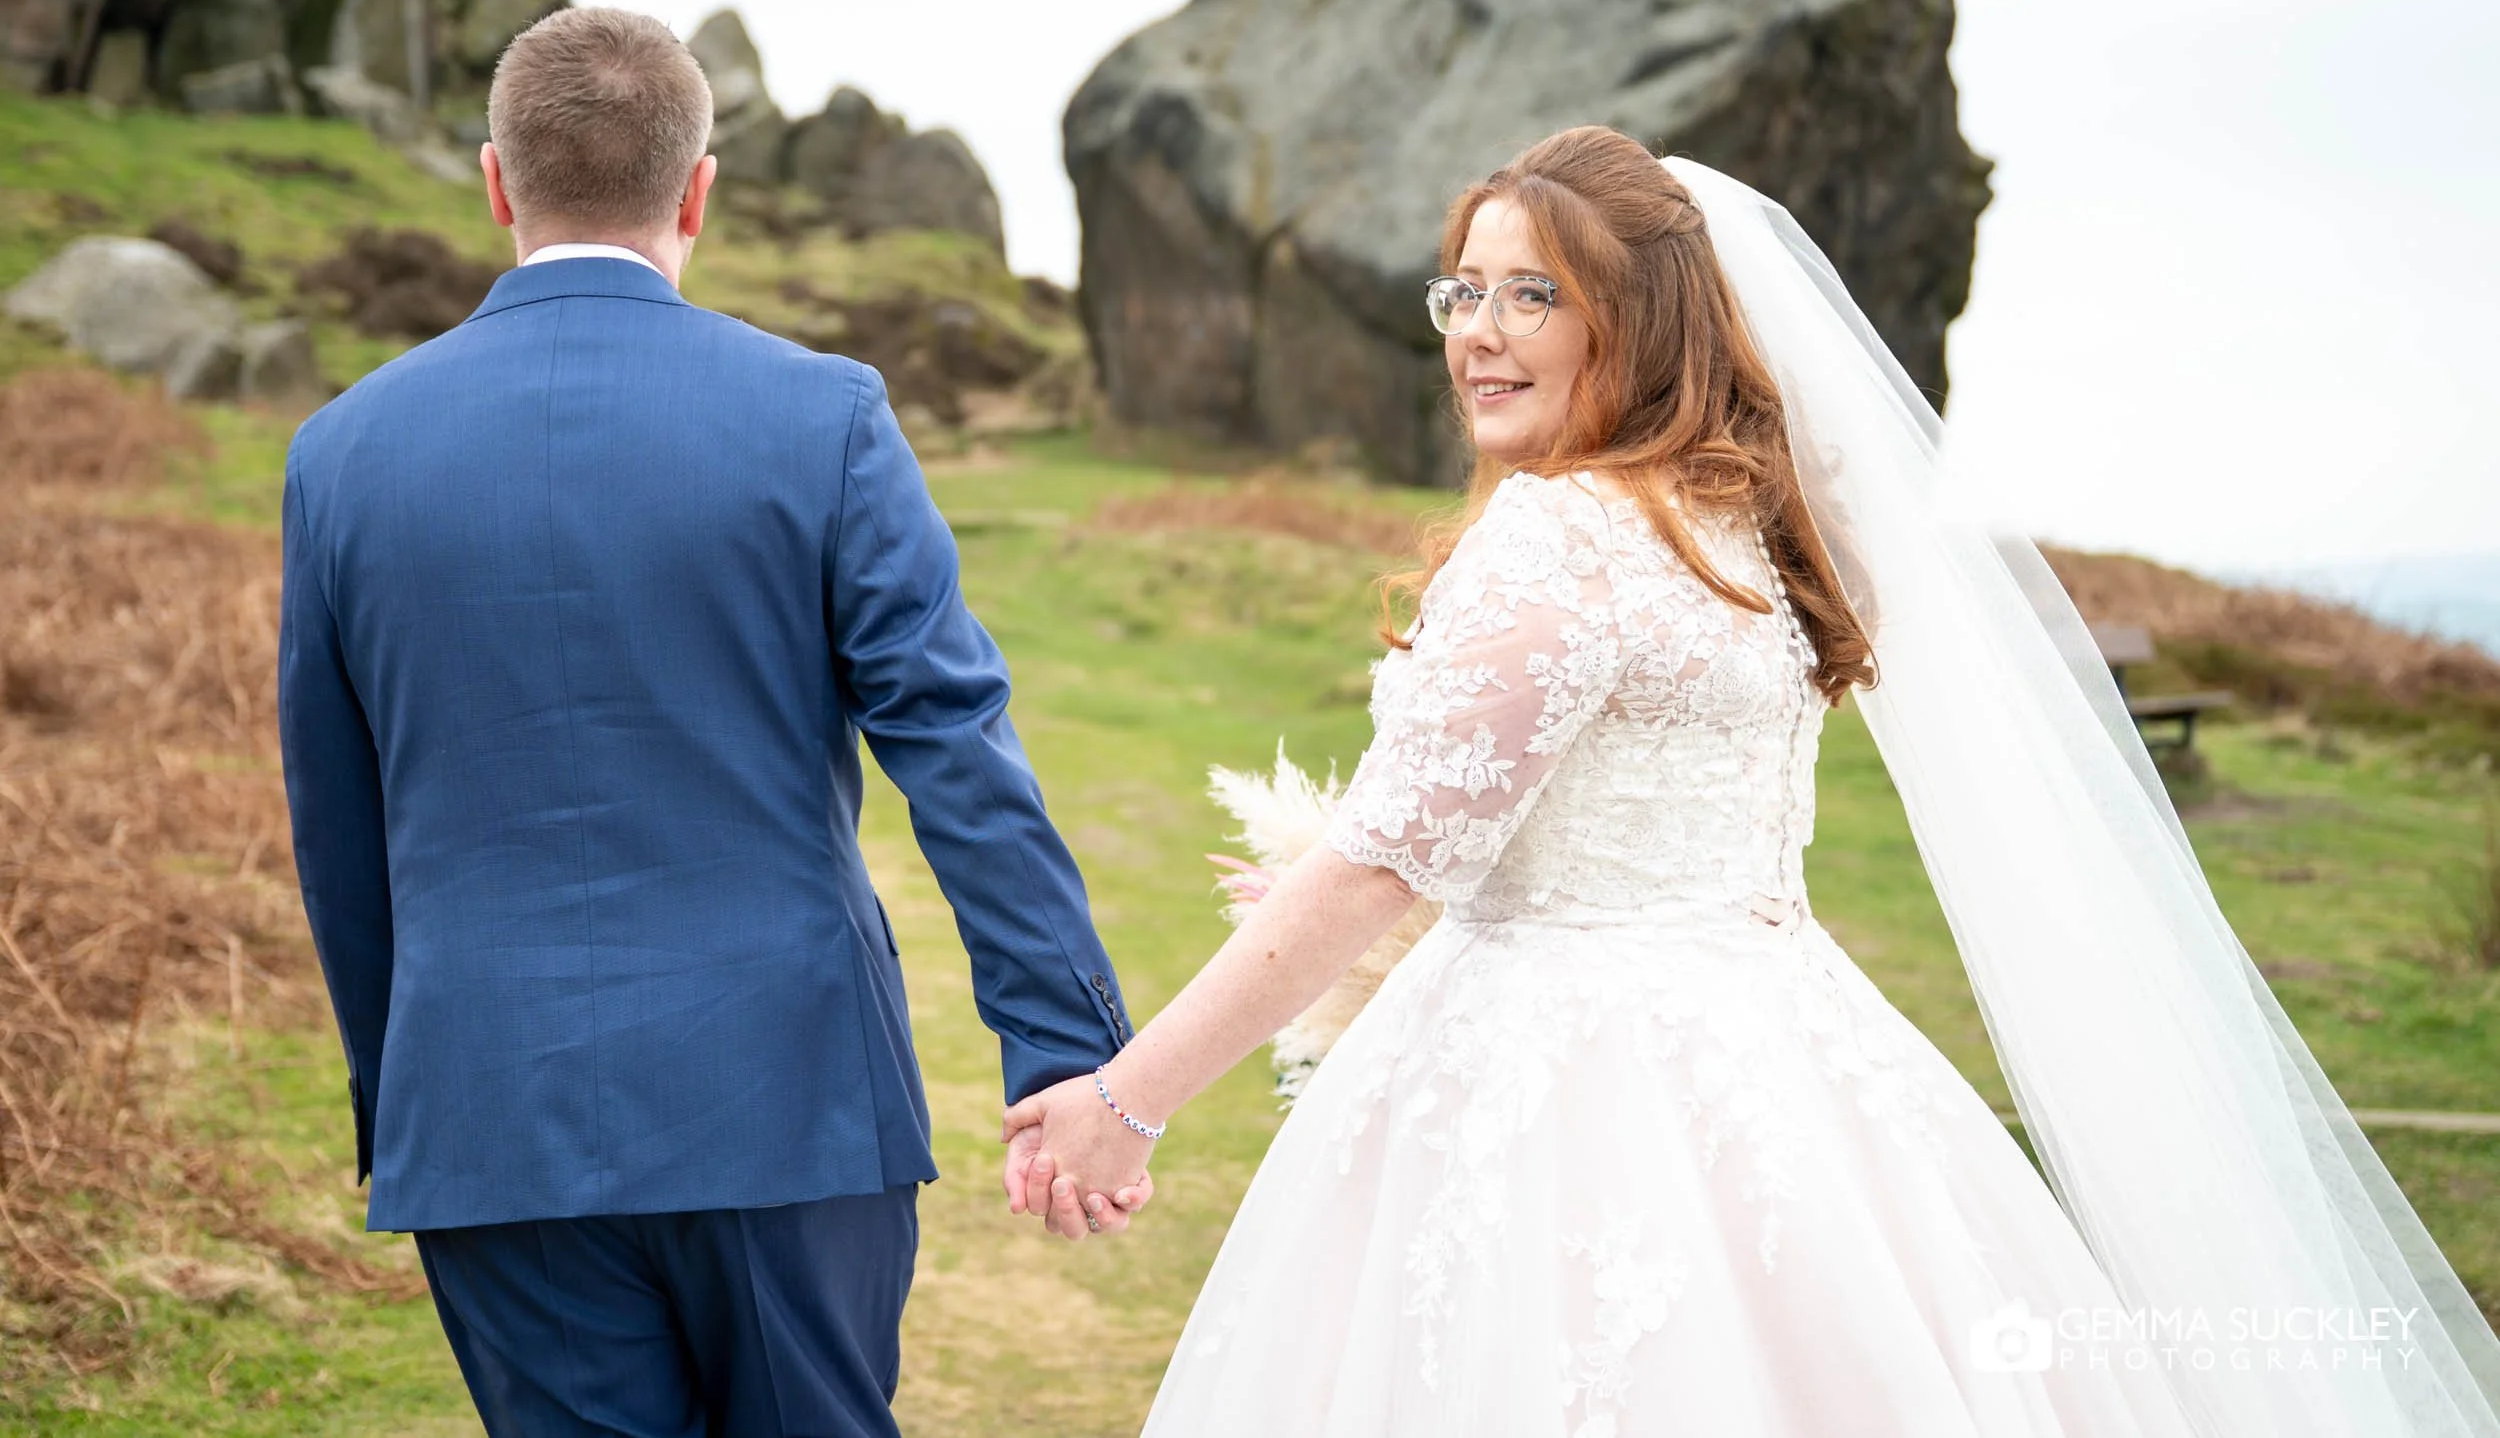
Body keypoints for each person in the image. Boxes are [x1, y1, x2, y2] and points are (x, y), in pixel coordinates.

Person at [1003, 126, 2500, 1435]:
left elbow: (1386, 858)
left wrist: (1127, 1100)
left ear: (1639, 321)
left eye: (1536, 292)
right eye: (1463, 287)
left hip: (1561, 1091)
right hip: (1790, 1055)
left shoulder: (1561, 533)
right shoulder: (1743, 535)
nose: (1480, 329)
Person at [276, 4, 1145, 1438]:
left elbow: (338, 818)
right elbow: (953, 743)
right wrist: (1062, 1046)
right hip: (790, 1101)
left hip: (489, 1113)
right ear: (698, 193)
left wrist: (401, 1090)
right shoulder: (826, 417)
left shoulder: (341, 453)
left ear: (497, 182)